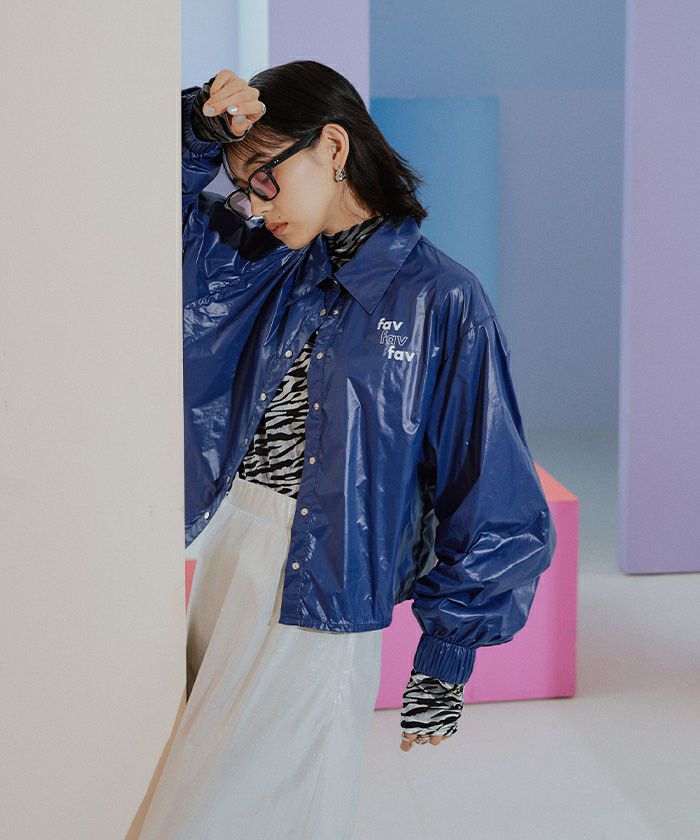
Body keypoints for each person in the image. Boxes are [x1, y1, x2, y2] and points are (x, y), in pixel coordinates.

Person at [138, 61, 556, 839]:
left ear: (332, 147)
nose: (256, 204)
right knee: (188, 788)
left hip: (329, 590)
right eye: (245, 186)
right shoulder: (262, 265)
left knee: (257, 815)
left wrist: (447, 657)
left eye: (266, 178)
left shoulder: (442, 298)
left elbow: (489, 484)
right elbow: (149, 231)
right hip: (229, 562)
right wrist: (197, 129)